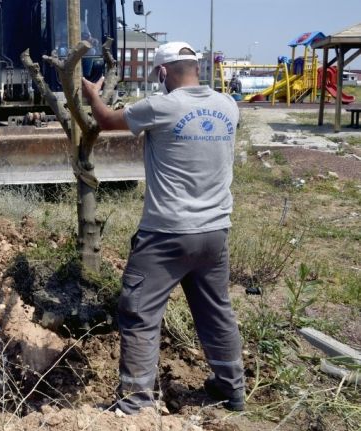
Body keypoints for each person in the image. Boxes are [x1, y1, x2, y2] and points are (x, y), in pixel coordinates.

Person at [81, 41, 245, 415]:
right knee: (216, 310)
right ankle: (231, 388)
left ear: (162, 73)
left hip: (166, 234)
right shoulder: (228, 106)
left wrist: (92, 94)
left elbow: (105, 121)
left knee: (139, 311)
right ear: (197, 68)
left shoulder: (160, 106)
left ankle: (136, 403)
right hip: (215, 233)